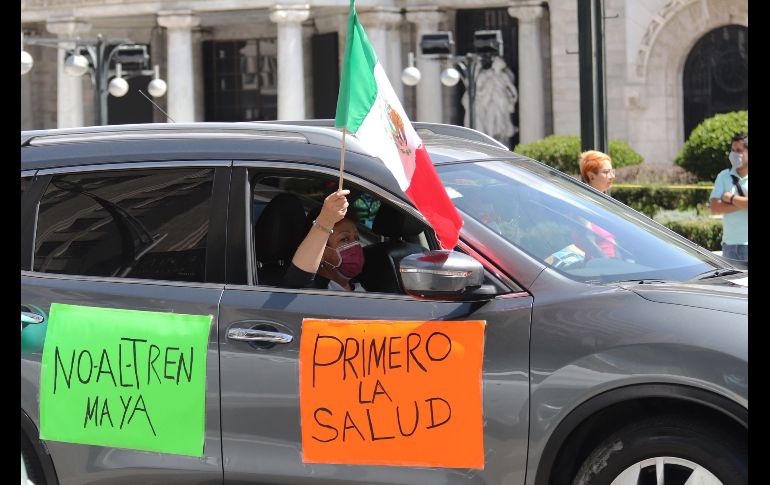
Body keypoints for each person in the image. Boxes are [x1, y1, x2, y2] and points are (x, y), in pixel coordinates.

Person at [282, 189, 366, 291]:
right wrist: (326, 220)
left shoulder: (360, 287)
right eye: (344, 239)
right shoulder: (316, 292)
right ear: (320, 253)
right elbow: (297, 280)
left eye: (356, 238)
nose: (355, 246)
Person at [709, 133, 748, 262]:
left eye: (739, 150)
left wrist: (730, 198)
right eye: (733, 150)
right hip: (729, 247)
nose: (735, 154)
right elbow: (714, 207)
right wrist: (743, 203)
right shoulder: (723, 176)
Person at [577, 150, 617, 258]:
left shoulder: (603, 202)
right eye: (605, 172)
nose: (612, 176)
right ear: (591, 176)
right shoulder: (584, 205)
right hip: (599, 268)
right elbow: (588, 239)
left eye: (612, 171)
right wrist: (607, 262)